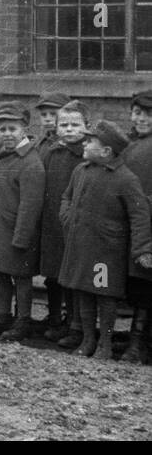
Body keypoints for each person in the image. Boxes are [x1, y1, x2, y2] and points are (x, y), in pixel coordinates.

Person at [57, 120, 152, 359]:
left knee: (104, 296)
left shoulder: (125, 179)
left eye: (90, 141)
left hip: (107, 251)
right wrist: (67, 217)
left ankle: (105, 344)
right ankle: (89, 340)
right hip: (81, 246)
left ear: (107, 151)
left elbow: (139, 215)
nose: (85, 144)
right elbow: (66, 197)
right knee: (83, 292)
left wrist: (143, 249)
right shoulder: (81, 170)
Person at [0, 101, 46, 341]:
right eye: (2, 129)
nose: (7, 134)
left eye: (12, 129)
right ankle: (3, 315)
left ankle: (22, 319)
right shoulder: (3, 155)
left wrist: (22, 237)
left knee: (21, 278)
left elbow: (30, 205)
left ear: (24, 128)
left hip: (16, 231)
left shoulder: (30, 163)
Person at [38, 100, 86, 345]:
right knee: (54, 273)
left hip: (75, 226)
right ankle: (55, 318)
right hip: (52, 223)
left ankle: (75, 324)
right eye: (63, 125)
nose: (69, 129)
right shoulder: (51, 152)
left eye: (75, 125)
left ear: (86, 127)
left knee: (74, 276)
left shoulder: (86, 156)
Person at [117, 90, 152, 364]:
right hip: (130, 222)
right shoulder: (129, 144)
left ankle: (138, 343)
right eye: (138, 112)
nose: (142, 118)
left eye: (149, 113)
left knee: (145, 282)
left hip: (147, 223)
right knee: (137, 282)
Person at [33, 91, 69, 157]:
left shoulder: (70, 144)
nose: (47, 119)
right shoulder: (40, 143)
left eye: (53, 114)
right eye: (43, 115)